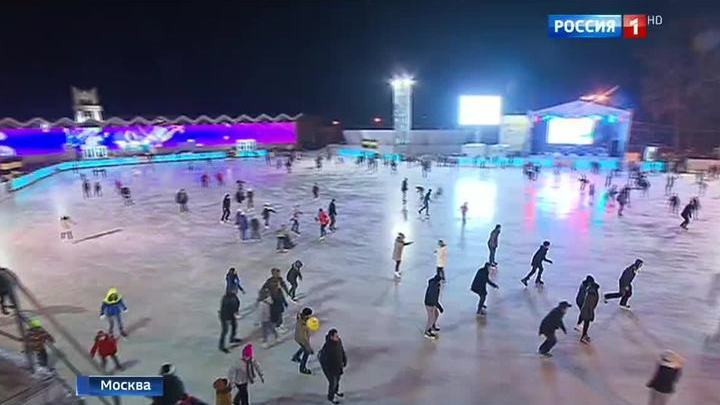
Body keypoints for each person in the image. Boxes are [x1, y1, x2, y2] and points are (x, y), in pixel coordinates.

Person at [319, 328, 347, 404]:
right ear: (331, 337)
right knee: (333, 383)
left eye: (337, 335)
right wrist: (327, 369)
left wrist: (344, 360)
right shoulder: (327, 347)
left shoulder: (339, 341)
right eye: (336, 336)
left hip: (338, 367)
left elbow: (342, 351)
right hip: (331, 369)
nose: (338, 337)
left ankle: (335, 391)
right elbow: (322, 359)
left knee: (337, 381)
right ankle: (331, 397)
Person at [292, 307, 314, 374]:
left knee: (303, 347)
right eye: (309, 315)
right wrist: (309, 348)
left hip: (298, 338)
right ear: (306, 315)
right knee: (306, 352)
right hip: (301, 339)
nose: (310, 316)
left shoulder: (302, 319)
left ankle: (296, 357)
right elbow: (304, 338)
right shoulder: (303, 324)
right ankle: (302, 368)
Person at [423, 274, 443, 339]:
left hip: (431, 303)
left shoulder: (433, 284)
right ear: (438, 281)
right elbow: (434, 299)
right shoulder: (435, 287)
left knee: (436, 314)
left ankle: (432, 326)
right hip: (429, 304)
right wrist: (439, 307)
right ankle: (427, 332)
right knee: (431, 318)